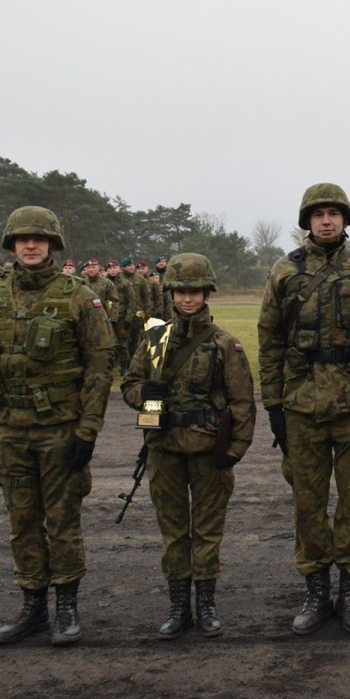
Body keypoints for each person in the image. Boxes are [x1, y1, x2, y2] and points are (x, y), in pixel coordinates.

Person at [0, 205, 115, 646]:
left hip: (59, 430)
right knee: (22, 522)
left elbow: (100, 366)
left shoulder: (80, 297)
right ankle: (33, 608)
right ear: (11, 245)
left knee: (63, 521)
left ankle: (66, 606)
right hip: (9, 431)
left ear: (53, 244)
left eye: (39, 239)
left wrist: (88, 430)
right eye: (22, 239)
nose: (30, 245)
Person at [257, 183, 350, 636]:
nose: (327, 220)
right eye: (318, 214)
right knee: (308, 503)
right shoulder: (285, 271)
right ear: (307, 222)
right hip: (301, 405)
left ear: (345, 219)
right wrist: (273, 405)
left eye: (334, 213)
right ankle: (316, 590)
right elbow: (269, 341)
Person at [122, 253, 255, 639]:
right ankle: (179, 606)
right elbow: (129, 384)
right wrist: (144, 394)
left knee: (208, 531)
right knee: (174, 531)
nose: (187, 298)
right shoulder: (154, 339)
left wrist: (235, 450)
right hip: (163, 449)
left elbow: (242, 402)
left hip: (208, 450)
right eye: (181, 291)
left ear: (206, 293)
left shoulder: (224, 344)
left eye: (195, 292)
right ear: (171, 293)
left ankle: (207, 605)